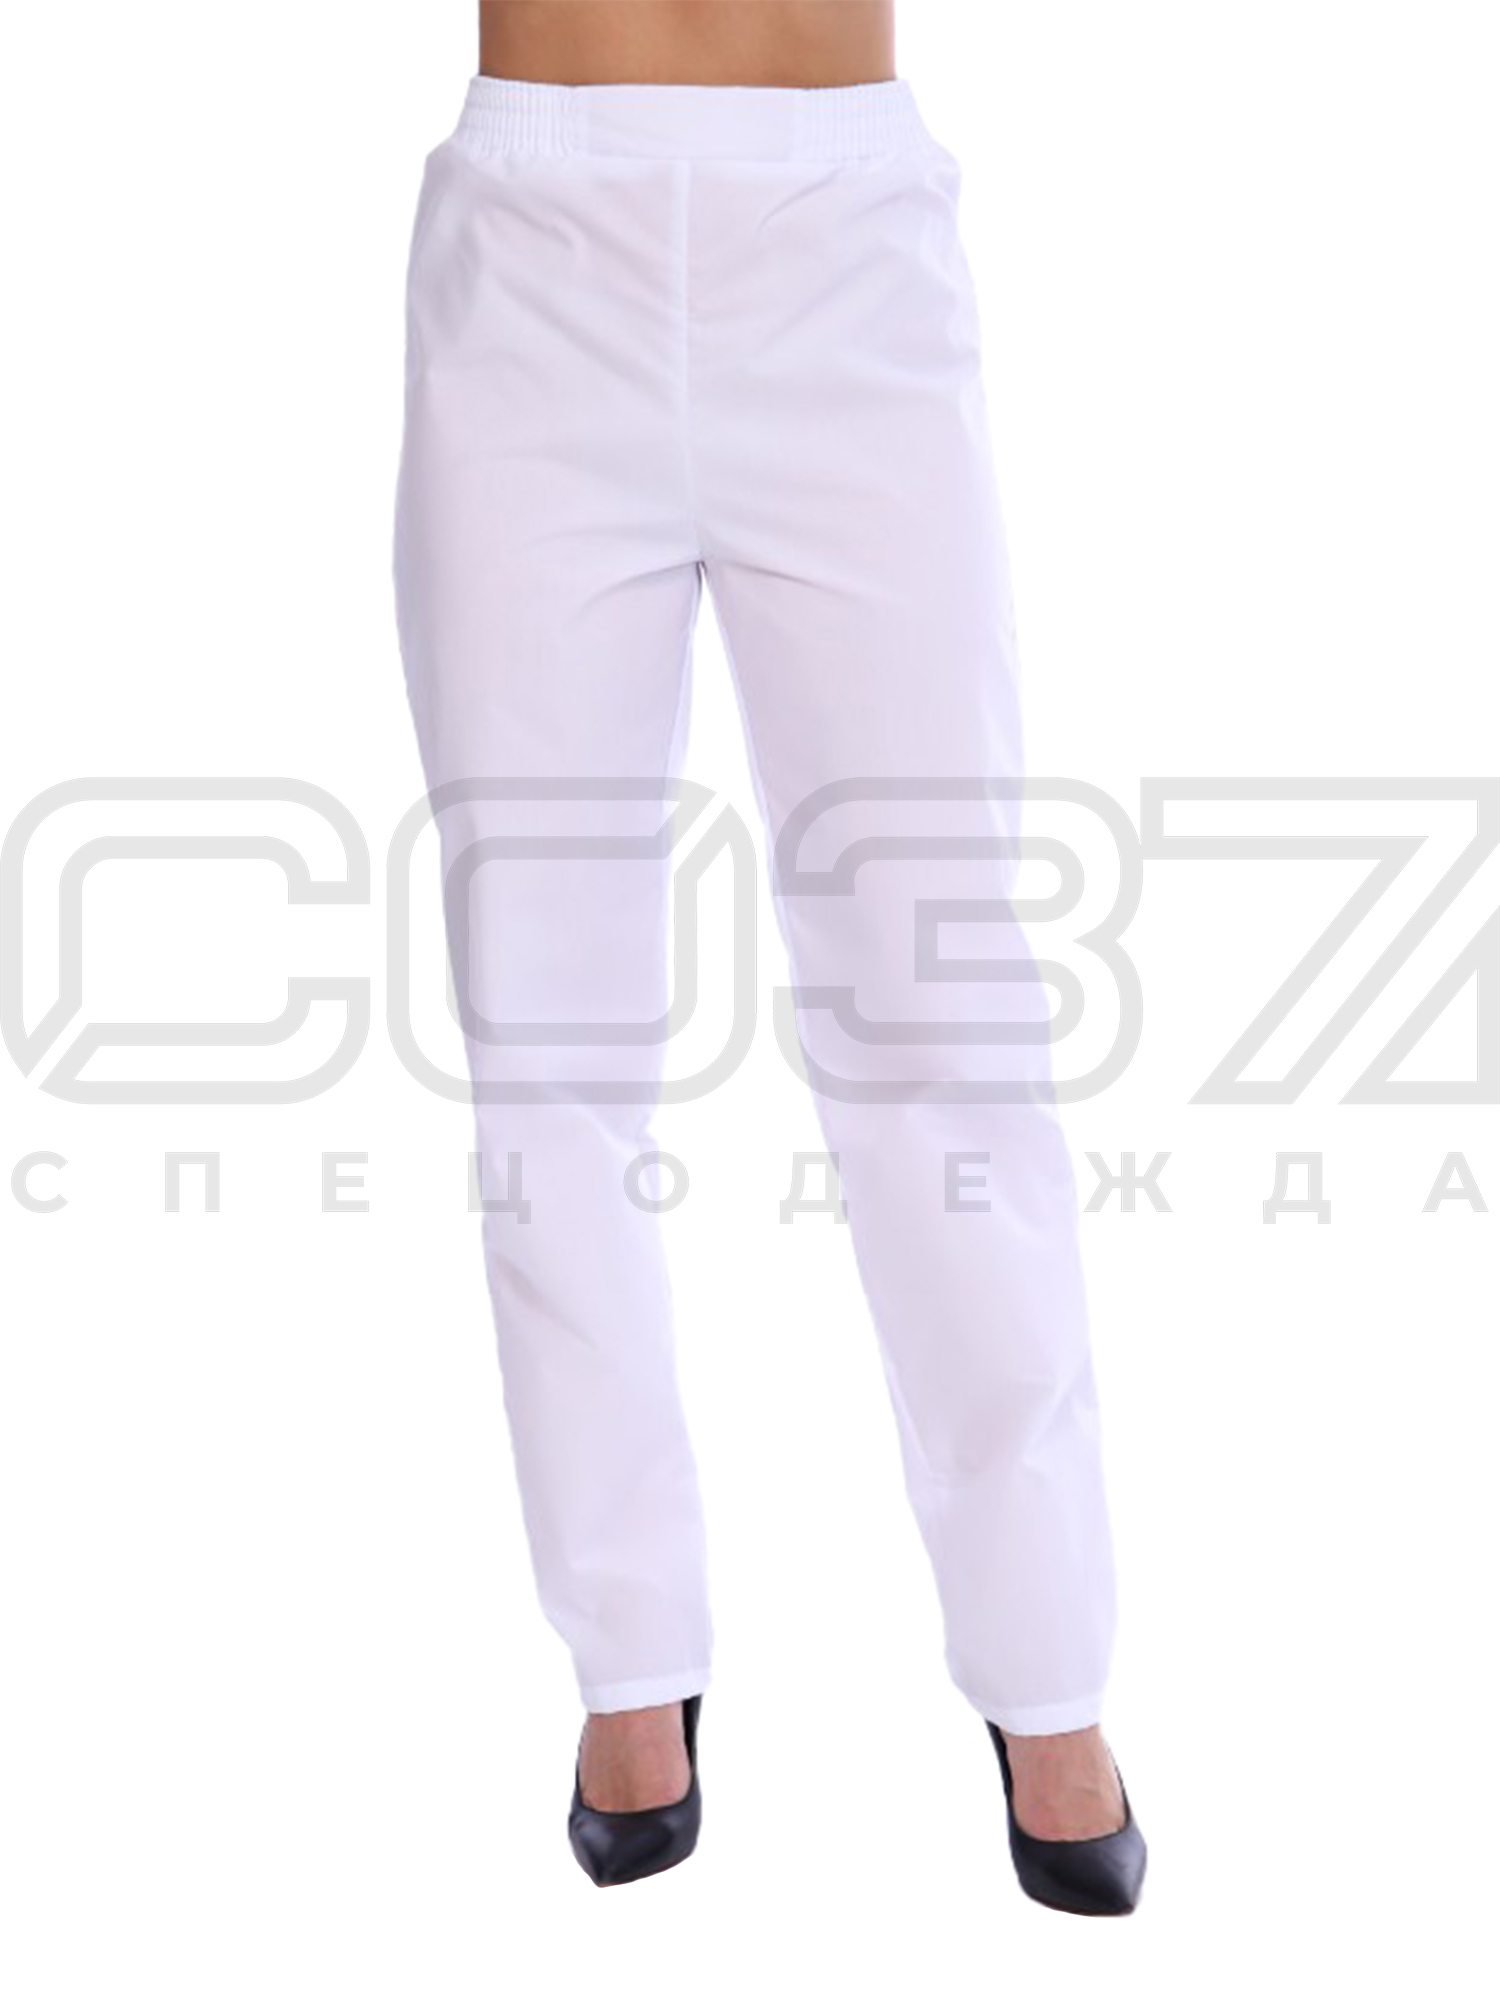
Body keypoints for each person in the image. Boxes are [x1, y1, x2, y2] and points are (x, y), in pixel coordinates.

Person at [394, 0, 1146, 1908]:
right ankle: (626, 1656)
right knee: (544, 1024)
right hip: (534, 234)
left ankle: (1046, 1669)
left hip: (839, 233)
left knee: (936, 1003)